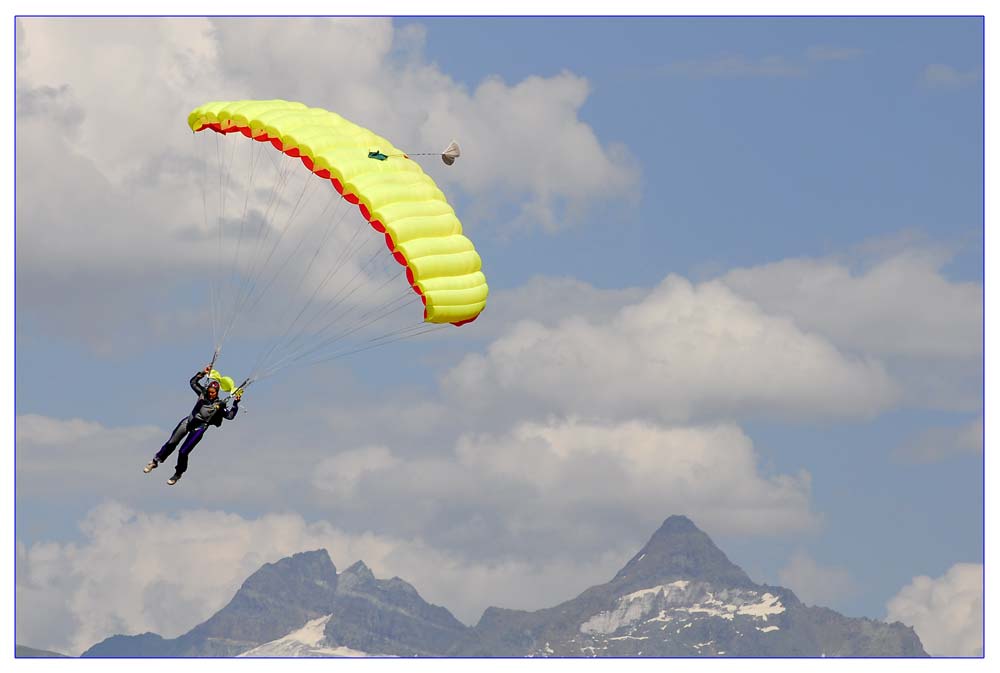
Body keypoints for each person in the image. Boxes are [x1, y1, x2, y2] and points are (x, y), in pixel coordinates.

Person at [144, 365, 241, 485]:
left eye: (213, 393)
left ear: (217, 393)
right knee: (172, 442)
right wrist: (203, 373)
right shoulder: (202, 393)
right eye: (209, 392)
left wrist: (236, 403)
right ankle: (155, 461)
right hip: (188, 422)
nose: (210, 394)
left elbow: (230, 416)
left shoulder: (219, 404)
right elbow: (193, 382)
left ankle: (178, 473)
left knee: (183, 452)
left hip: (199, 428)